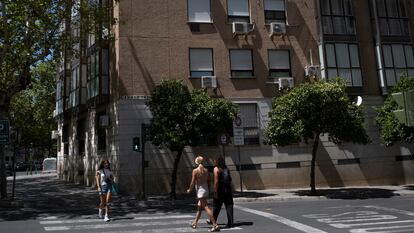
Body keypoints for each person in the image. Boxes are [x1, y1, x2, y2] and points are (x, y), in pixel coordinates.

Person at [187, 156, 220, 232]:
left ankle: (215, 225)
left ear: (196, 162)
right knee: (199, 207)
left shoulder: (195, 170)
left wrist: (189, 189)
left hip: (200, 190)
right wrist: (209, 189)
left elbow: (192, 182)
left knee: (206, 207)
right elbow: (208, 181)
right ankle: (195, 223)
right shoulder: (206, 170)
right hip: (205, 189)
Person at [212, 157, 234, 228]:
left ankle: (213, 221)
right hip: (228, 190)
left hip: (220, 190)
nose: (214, 162)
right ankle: (230, 222)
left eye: (214, 161)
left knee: (216, 206)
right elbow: (230, 180)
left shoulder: (216, 169)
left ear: (217, 162)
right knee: (229, 206)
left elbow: (216, 181)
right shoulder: (226, 168)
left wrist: (215, 191)